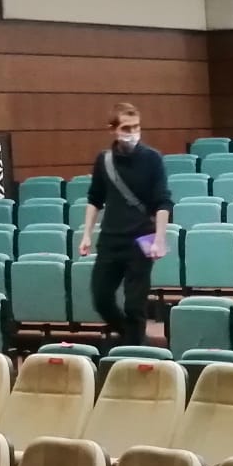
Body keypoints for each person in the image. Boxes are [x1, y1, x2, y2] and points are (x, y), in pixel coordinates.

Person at [78, 101, 170, 347]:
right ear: (113, 130)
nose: (133, 133)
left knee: (134, 305)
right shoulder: (104, 161)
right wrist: (86, 235)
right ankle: (134, 340)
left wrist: (160, 239)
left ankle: (136, 351)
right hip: (110, 239)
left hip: (142, 239)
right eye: (127, 128)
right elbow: (94, 199)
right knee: (101, 299)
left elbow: (163, 202)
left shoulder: (152, 159)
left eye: (136, 127)